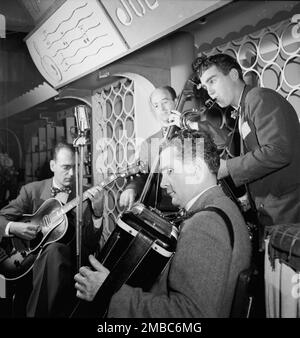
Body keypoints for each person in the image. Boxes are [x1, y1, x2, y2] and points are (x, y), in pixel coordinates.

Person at [74, 129, 251, 318]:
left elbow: (190, 316)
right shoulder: (225, 207)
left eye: (170, 171)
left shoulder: (204, 224)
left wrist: (108, 292)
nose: (162, 183)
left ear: (197, 171)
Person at [193, 53, 300, 235]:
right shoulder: (243, 107)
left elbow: (278, 151)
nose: (209, 91)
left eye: (212, 81)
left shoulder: (258, 98)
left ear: (234, 74)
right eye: (205, 86)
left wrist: (228, 168)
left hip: (289, 213)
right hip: (275, 213)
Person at [0, 141, 103, 317]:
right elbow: (2, 217)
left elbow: (91, 243)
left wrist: (97, 214)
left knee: (54, 250)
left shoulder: (85, 195)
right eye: (66, 167)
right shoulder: (32, 191)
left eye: (75, 167)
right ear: (53, 165)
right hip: (26, 260)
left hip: (68, 263)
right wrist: (14, 227)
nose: (71, 173)